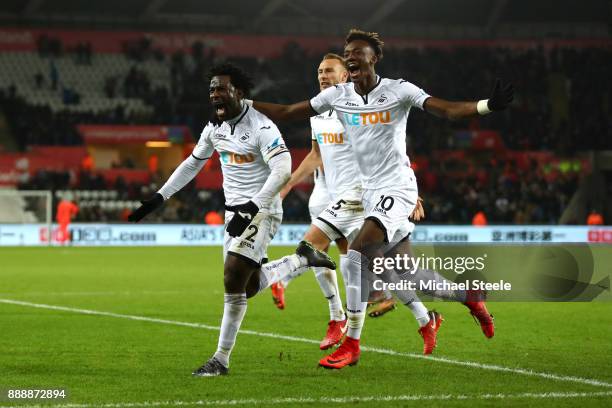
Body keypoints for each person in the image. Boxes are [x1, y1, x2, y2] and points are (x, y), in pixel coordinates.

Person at [250, 28, 513, 369]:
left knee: (357, 253)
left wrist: (486, 106)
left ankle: (352, 343)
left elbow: (445, 110)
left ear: (374, 59)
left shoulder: (398, 90)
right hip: (369, 192)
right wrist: (244, 105)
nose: (352, 57)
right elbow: (287, 112)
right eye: (348, 53)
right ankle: (469, 298)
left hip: (397, 188)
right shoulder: (338, 97)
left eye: (358, 53)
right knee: (406, 274)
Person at [128, 63, 335, 376]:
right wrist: (159, 198)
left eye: (221, 88)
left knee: (231, 277)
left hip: (262, 209)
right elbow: (191, 164)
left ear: (239, 92)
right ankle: (300, 260)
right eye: (212, 89)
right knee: (247, 287)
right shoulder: (215, 128)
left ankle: (220, 360)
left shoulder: (262, 127)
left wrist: (252, 207)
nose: (215, 94)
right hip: (234, 211)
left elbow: (282, 170)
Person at [275, 53, 440, 353]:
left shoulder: (353, 108)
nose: (323, 76)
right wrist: (288, 185)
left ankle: (281, 280)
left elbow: (384, 148)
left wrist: (408, 190)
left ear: (344, 77)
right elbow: (316, 154)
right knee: (366, 264)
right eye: (319, 71)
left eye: (330, 71)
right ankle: (420, 317)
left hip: (364, 195)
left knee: (343, 255)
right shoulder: (318, 112)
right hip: (334, 195)